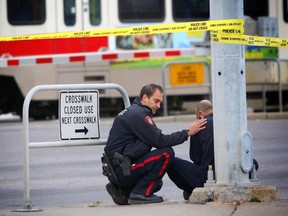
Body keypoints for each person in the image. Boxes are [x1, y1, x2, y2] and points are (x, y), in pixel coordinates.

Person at [102, 83, 207, 205]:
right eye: (156, 101)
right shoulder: (138, 115)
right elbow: (161, 141)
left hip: (119, 169)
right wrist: (188, 132)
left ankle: (124, 193)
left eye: (160, 102)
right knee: (166, 154)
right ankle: (139, 194)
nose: (158, 105)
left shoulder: (133, 111)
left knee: (156, 184)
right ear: (145, 98)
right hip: (123, 169)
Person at [167, 99, 259, 200]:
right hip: (234, 174)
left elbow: (195, 158)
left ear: (201, 114)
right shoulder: (230, 122)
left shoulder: (199, 126)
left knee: (171, 162)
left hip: (208, 177)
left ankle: (190, 189)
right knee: (253, 162)